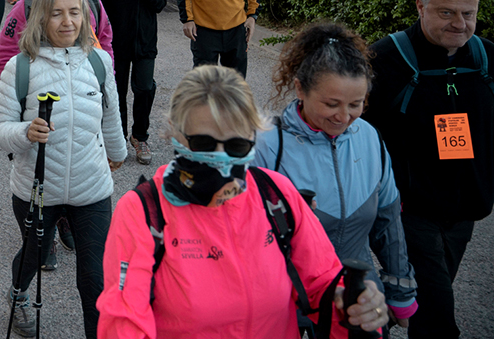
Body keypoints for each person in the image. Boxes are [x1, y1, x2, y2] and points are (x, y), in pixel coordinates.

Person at [96, 65, 390, 339]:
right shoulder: (145, 210)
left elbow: (322, 279)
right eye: (204, 144)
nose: (222, 159)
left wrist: (351, 301)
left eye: (237, 146)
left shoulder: (276, 194)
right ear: (175, 133)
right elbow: (123, 318)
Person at [255, 22, 418, 333]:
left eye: (356, 105)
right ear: (300, 88)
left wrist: (401, 292)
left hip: (356, 299)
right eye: (331, 104)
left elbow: (389, 224)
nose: (343, 117)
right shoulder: (266, 145)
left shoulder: (369, 137)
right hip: (281, 299)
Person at [0, 0, 125, 338]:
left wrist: (118, 152)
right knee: (33, 256)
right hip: (37, 190)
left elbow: (110, 113)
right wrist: (24, 132)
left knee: (95, 278)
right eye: (57, 14)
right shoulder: (20, 68)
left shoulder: (99, 61)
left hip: (91, 186)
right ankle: (18, 295)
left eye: (75, 13)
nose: (68, 22)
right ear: (40, 19)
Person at [363, 0, 492, 339]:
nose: (460, 23)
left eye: (468, 13)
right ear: (421, 7)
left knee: (426, 297)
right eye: (446, 12)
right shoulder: (384, 59)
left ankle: (375, 314)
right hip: (408, 210)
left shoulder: (487, 60)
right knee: (437, 315)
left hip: (466, 206)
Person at [97, 0, 168, 165]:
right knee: (117, 92)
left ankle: (139, 137)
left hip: (146, 44)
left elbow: (161, 4)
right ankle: (117, 138)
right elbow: (101, 10)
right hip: (118, 45)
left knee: (145, 89)